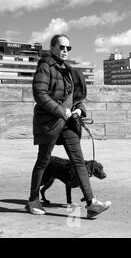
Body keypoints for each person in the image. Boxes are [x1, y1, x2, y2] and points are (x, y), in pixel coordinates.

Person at [26, 34, 111, 219]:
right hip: (50, 122)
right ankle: (33, 200)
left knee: (79, 161)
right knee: (43, 161)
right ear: (53, 47)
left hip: (69, 123)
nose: (65, 50)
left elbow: (76, 97)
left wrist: (79, 110)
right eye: (62, 47)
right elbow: (39, 94)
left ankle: (91, 203)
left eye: (68, 48)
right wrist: (61, 111)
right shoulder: (45, 67)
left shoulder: (69, 70)